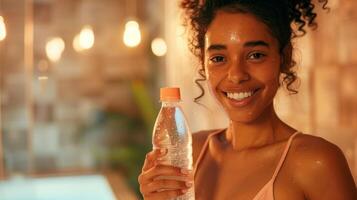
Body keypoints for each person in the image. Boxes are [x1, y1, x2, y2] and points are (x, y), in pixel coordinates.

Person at [138, 0, 357, 199]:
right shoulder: (191, 154)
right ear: (203, 64)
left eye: (255, 55)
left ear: (285, 57)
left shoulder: (315, 162)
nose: (236, 74)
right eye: (219, 58)